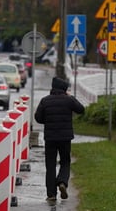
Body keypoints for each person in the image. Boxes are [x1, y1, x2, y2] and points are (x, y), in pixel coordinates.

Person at [34, 76, 85, 204]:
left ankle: (51, 194)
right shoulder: (69, 100)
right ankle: (62, 181)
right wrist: (71, 97)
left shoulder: (45, 101)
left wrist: (48, 120)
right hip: (65, 138)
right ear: (64, 89)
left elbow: (38, 118)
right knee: (65, 161)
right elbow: (81, 109)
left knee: (50, 165)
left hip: (50, 138)